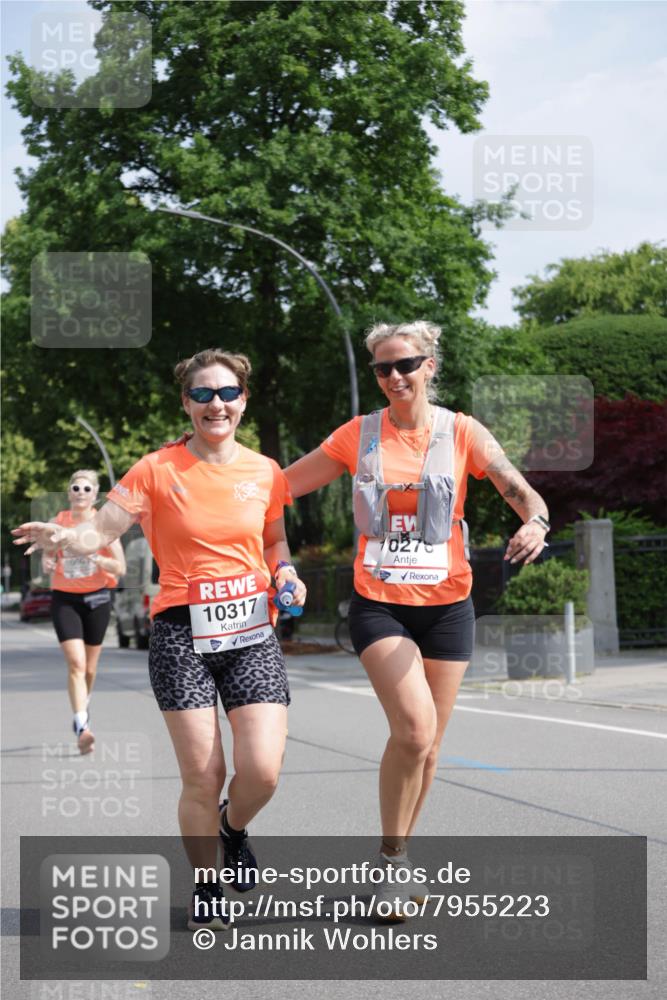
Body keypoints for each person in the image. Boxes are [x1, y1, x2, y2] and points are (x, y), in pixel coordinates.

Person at [13, 349, 306, 931]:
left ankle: (233, 828)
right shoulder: (156, 469)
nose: (215, 404)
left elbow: (276, 546)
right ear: (186, 403)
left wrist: (288, 574)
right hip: (180, 633)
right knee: (202, 774)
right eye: (202, 395)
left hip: (251, 630)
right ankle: (206, 883)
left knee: (263, 771)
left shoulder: (265, 470)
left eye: (226, 393)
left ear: (243, 399)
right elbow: (103, 527)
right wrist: (67, 536)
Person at [284, 321, 550, 920]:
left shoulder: (462, 432)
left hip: (450, 608)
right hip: (379, 605)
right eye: (382, 368)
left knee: (429, 747)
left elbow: (521, 493)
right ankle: (392, 862)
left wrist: (535, 522)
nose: (394, 377)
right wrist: (209, 477)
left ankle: (394, 861)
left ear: (431, 365)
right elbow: (278, 488)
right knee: (412, 729)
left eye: (406, 364)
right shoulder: (358, 435)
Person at [41, 470, 126, 754]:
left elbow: (121, 569)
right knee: (76, 664)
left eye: (86, 489)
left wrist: (97, 558)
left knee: (89, 668)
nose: (80, 492)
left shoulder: (104, 526)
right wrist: (47, 563)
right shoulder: (58, 523)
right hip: (65, 599)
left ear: (95, 494)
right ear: (69, 493)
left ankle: (83, 705)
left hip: (97, 599)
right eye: (75, 488)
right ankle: (82, 725)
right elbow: (47, 555)